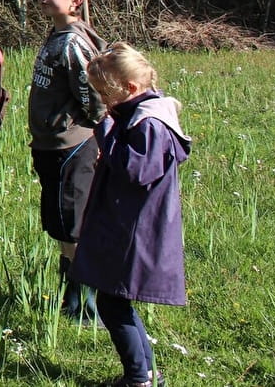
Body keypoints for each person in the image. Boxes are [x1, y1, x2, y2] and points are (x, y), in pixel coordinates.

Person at [72, 43, 189, 387]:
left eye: (107, 95)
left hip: (134, 230)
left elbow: (137, 171)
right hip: (126, 224)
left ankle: (139, 377)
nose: (105, 103)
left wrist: (106, 135)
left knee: (112, 302)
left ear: (131, 89)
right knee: (115, 299)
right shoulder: (138, 116)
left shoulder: (150, 123)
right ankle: (146, 374)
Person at [27, 0, 106, 322]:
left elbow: (94, 97)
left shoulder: (73, 42)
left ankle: (88, 304)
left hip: (71, 146)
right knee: (61, 223)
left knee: (73, 225)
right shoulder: (57, 36)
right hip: (52, 146)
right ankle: (72, 299)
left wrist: (95, 134)